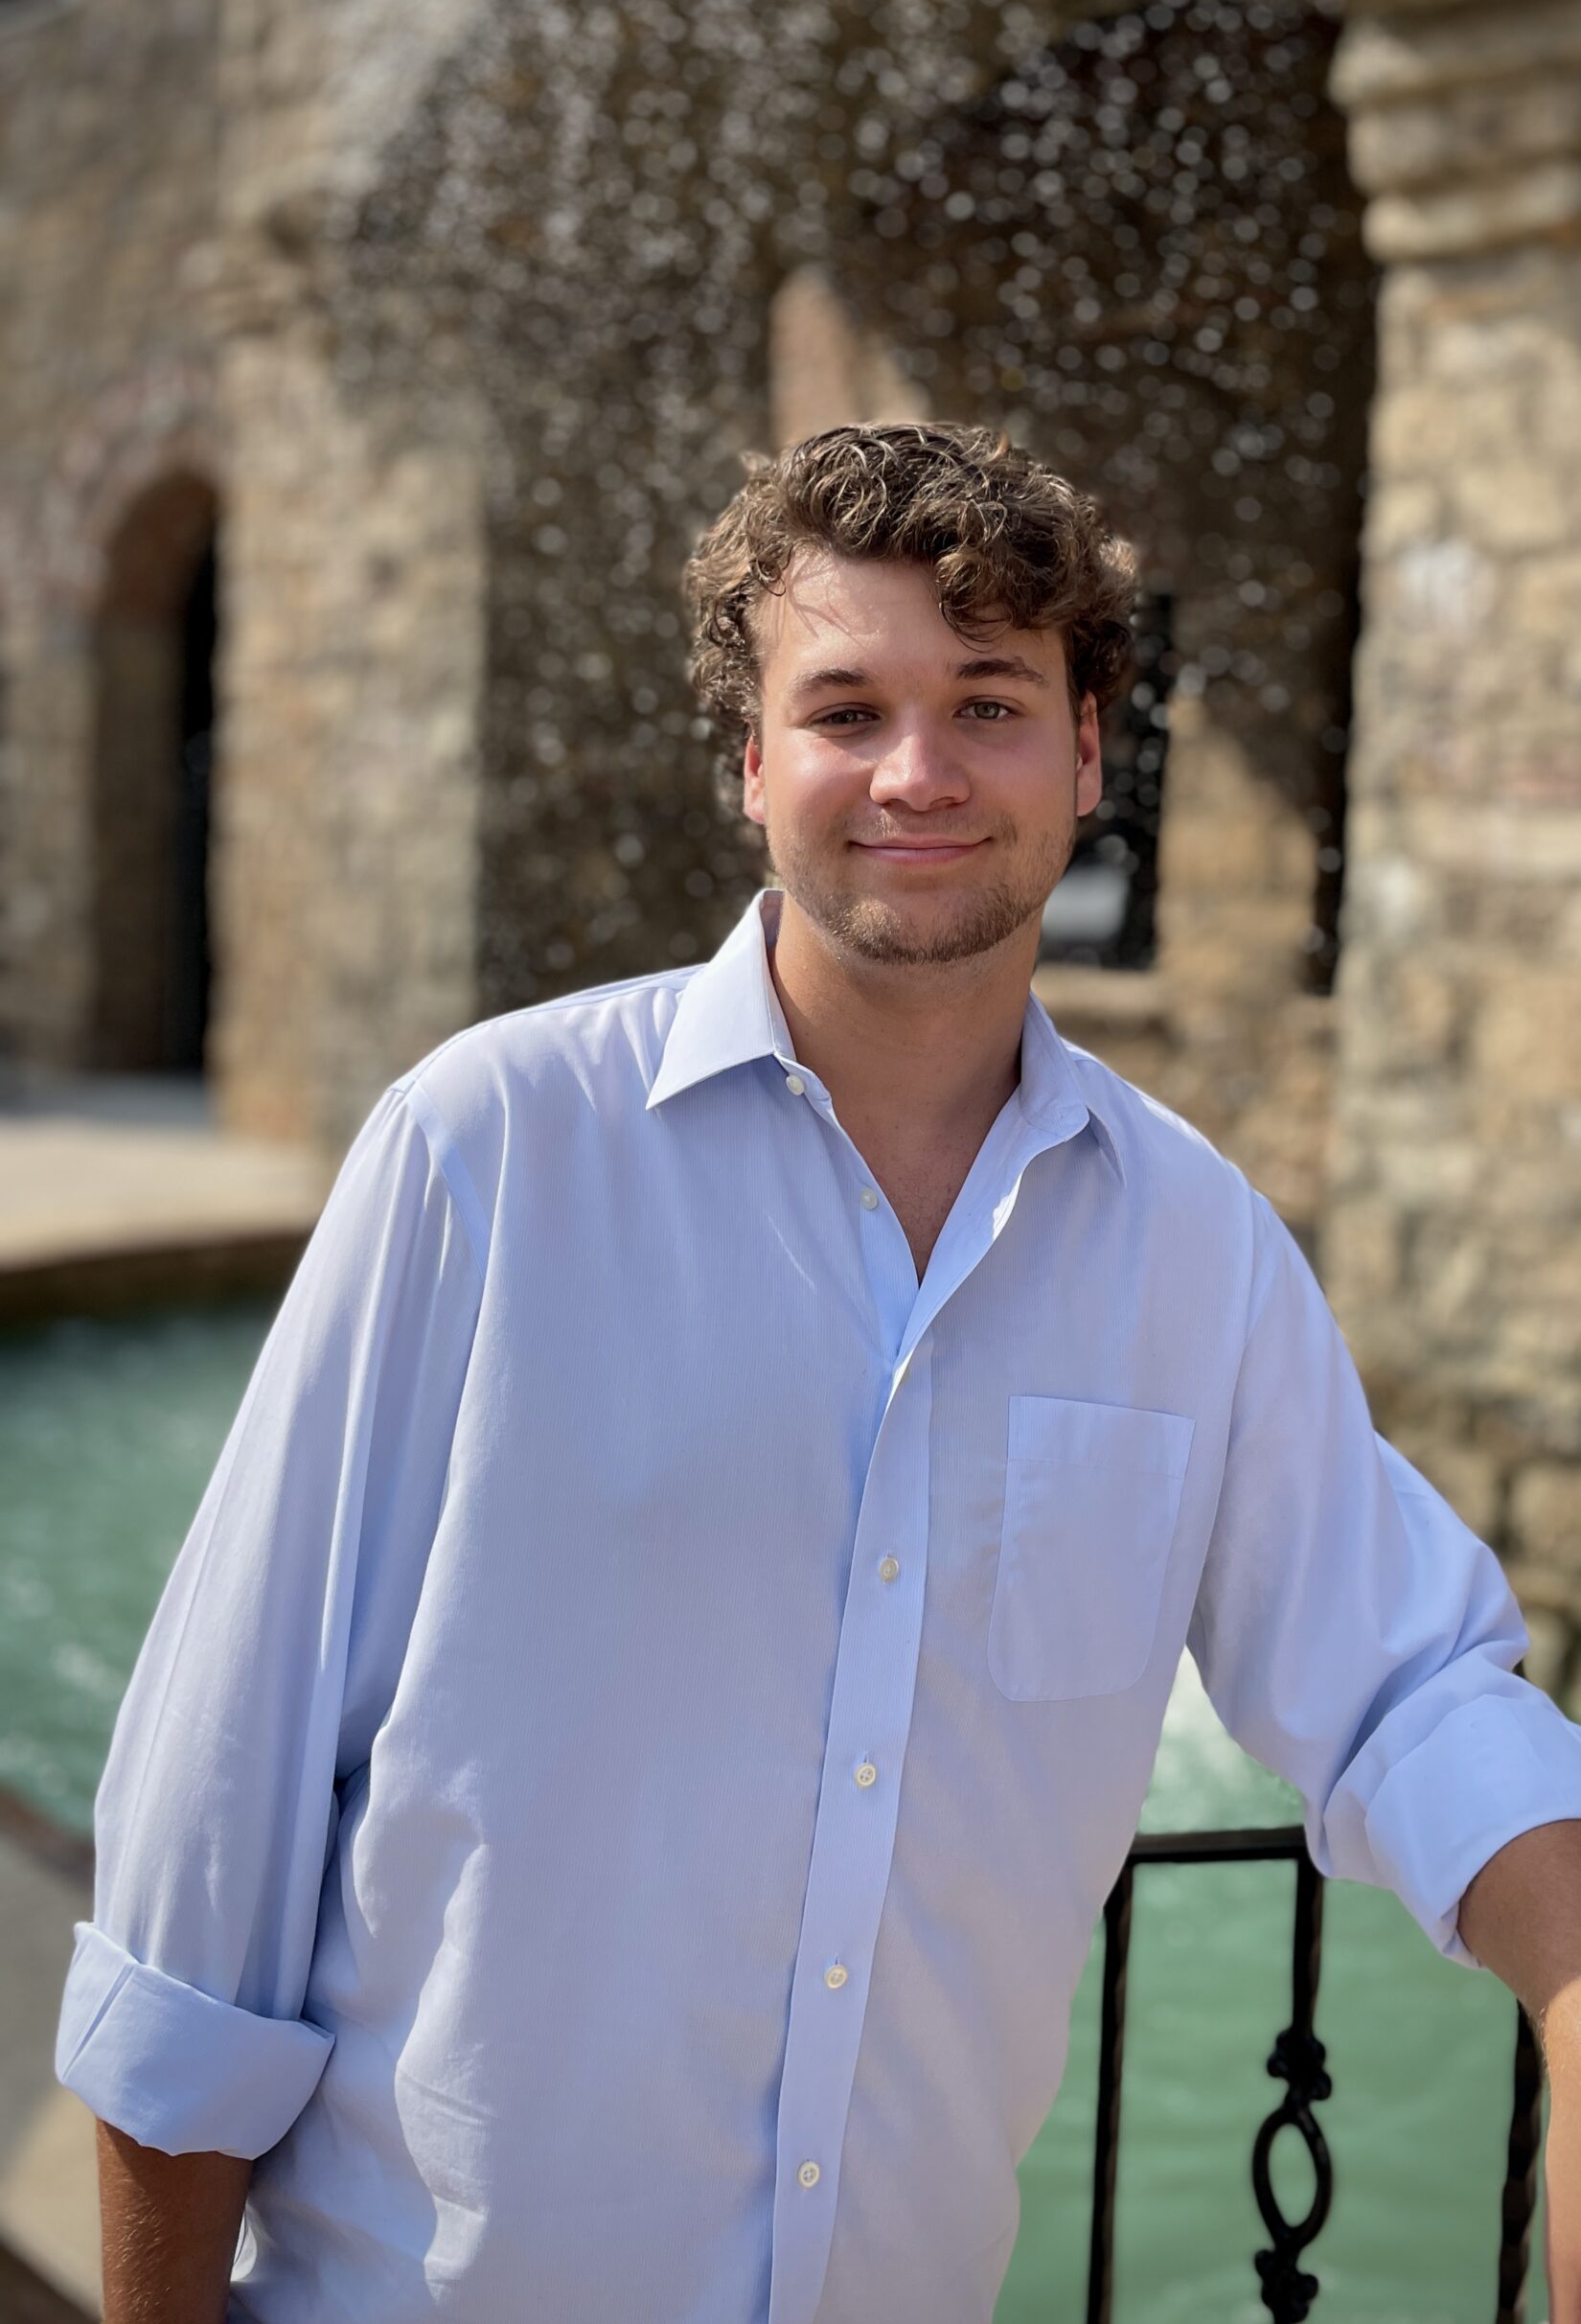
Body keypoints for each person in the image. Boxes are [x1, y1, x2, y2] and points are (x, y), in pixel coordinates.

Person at [57, 423, 1581, 2321]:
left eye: (993, 702)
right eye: (847, 705)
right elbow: (216, 1836)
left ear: (1092, 751)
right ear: (751, 758)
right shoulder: (490, 1150)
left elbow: (1410, 1686)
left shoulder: (1195, 1250)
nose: (921, 772)